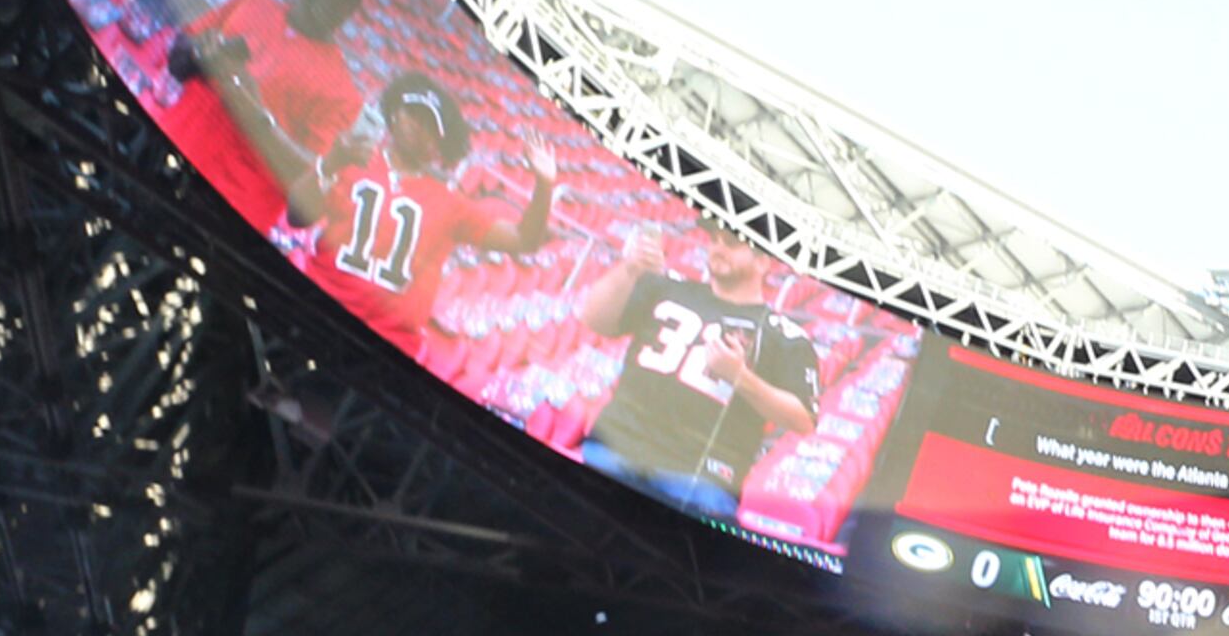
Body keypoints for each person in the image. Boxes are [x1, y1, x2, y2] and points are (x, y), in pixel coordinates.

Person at [249, 68, 558, 347]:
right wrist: (332, 163)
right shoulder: (353, 159)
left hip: (383, 346)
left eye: (427, 125)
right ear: (394, 116)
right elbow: (298, 215)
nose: (416, 127)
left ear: (438, 143)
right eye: (412, 115)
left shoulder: (451, 203)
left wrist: (544, 185)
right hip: (315, 307)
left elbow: (524, 239)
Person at [572, 227, 822, 523]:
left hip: (698, 478)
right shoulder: (667, 288)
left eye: (731, 243)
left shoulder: (786, 337)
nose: (717, 248)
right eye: (714, 239)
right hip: (617, 444)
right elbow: (595, 319)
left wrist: (741, 377)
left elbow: (803, 419)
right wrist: (628, 270)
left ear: (763, 261)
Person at [161, 0, 367, 230]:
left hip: (231, 209)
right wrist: (202, 54)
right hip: (170, 144)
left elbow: (310, 174)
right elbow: (177, 60)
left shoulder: (343, 92)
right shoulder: (252, 2)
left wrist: (258, 117)